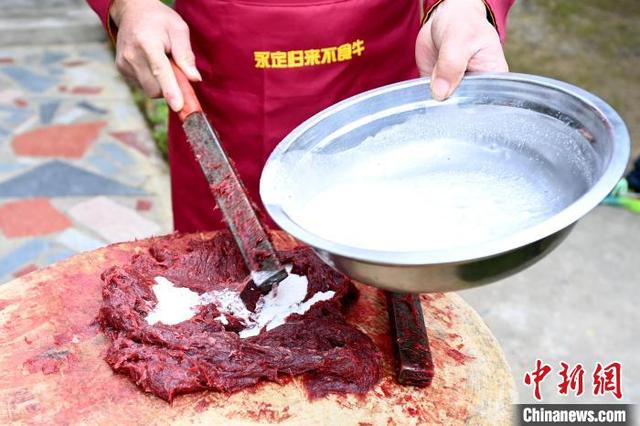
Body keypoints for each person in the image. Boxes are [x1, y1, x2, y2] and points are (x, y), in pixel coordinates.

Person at [87, 0, 514, 233]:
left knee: (390, 270)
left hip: (380, 77)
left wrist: (466, 5)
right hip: (226, 82)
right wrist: (129, 4)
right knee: (219, 293)